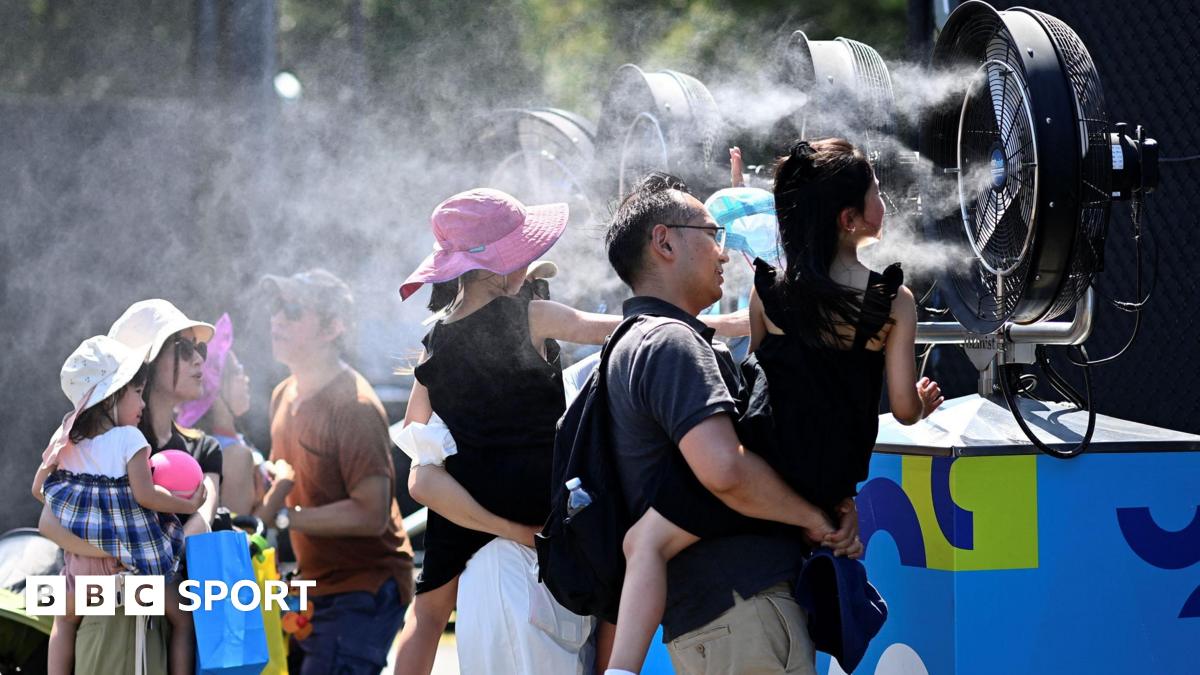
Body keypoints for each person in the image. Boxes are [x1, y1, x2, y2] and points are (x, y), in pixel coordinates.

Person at [392, 189, 750, 675]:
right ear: (503, 264)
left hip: (482, 539)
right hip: (533, 549)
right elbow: (626, 327)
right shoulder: (531, 316)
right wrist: (722, 325)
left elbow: (421, 452)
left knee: (429, 616)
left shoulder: (434, 344)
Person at [600, 172, 856, 675]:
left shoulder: (636, 341)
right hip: (743, 614)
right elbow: (726, 471)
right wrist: (813, 519)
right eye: (713, 236)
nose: (723, 254)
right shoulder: (673, 342)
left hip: (719, 620)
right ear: (664, 241)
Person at [35, 299, 220, 675]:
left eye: (200, 348)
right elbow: (50, 523)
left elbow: (199, 524)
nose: (200, 360)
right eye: (184, 349)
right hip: (114, 621)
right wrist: (121, 552)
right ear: (142, 368)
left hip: (153, 618)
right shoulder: (120, 439)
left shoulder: (202, 448)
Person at [261, 268, 414, 675]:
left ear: (333, 327)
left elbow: (370, 514)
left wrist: (281, 518)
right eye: (277, 307)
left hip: (364, 587)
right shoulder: (283, 394)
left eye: (293, 310)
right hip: (313, 588)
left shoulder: (355, 406)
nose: (277, 318)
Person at [176, 313, 279, 517]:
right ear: (218, 388)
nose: (246, 379)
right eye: (239, 371)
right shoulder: (234, 455)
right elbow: (241, 532)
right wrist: (282, 486)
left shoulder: (215, 443)